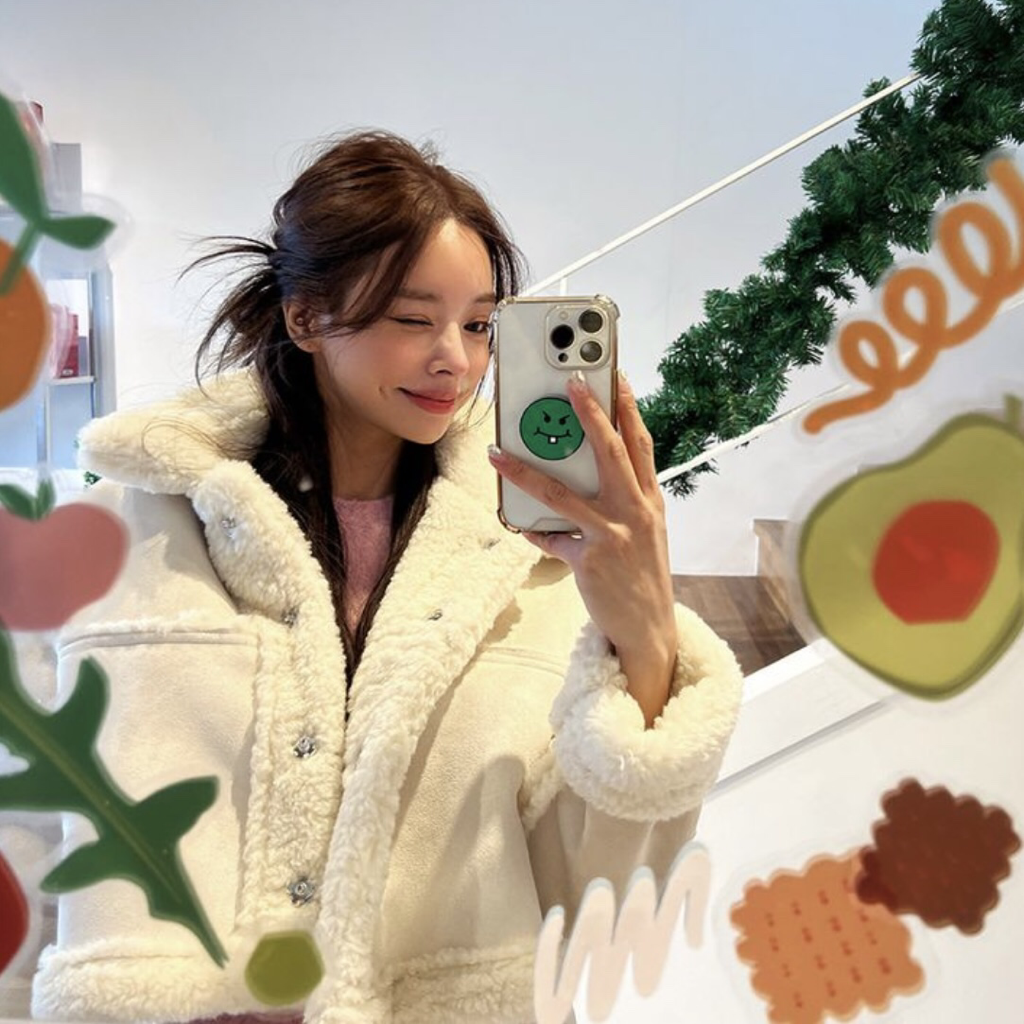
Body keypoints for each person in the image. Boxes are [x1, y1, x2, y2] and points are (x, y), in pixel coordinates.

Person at [29, 130, 743, 1024]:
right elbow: (42, 846)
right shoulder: (124, 542)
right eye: (413, 319)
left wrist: (643, 635)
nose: (457, 359)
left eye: (479, 325)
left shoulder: (526, 566)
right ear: (304, 317)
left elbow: (596, 895)